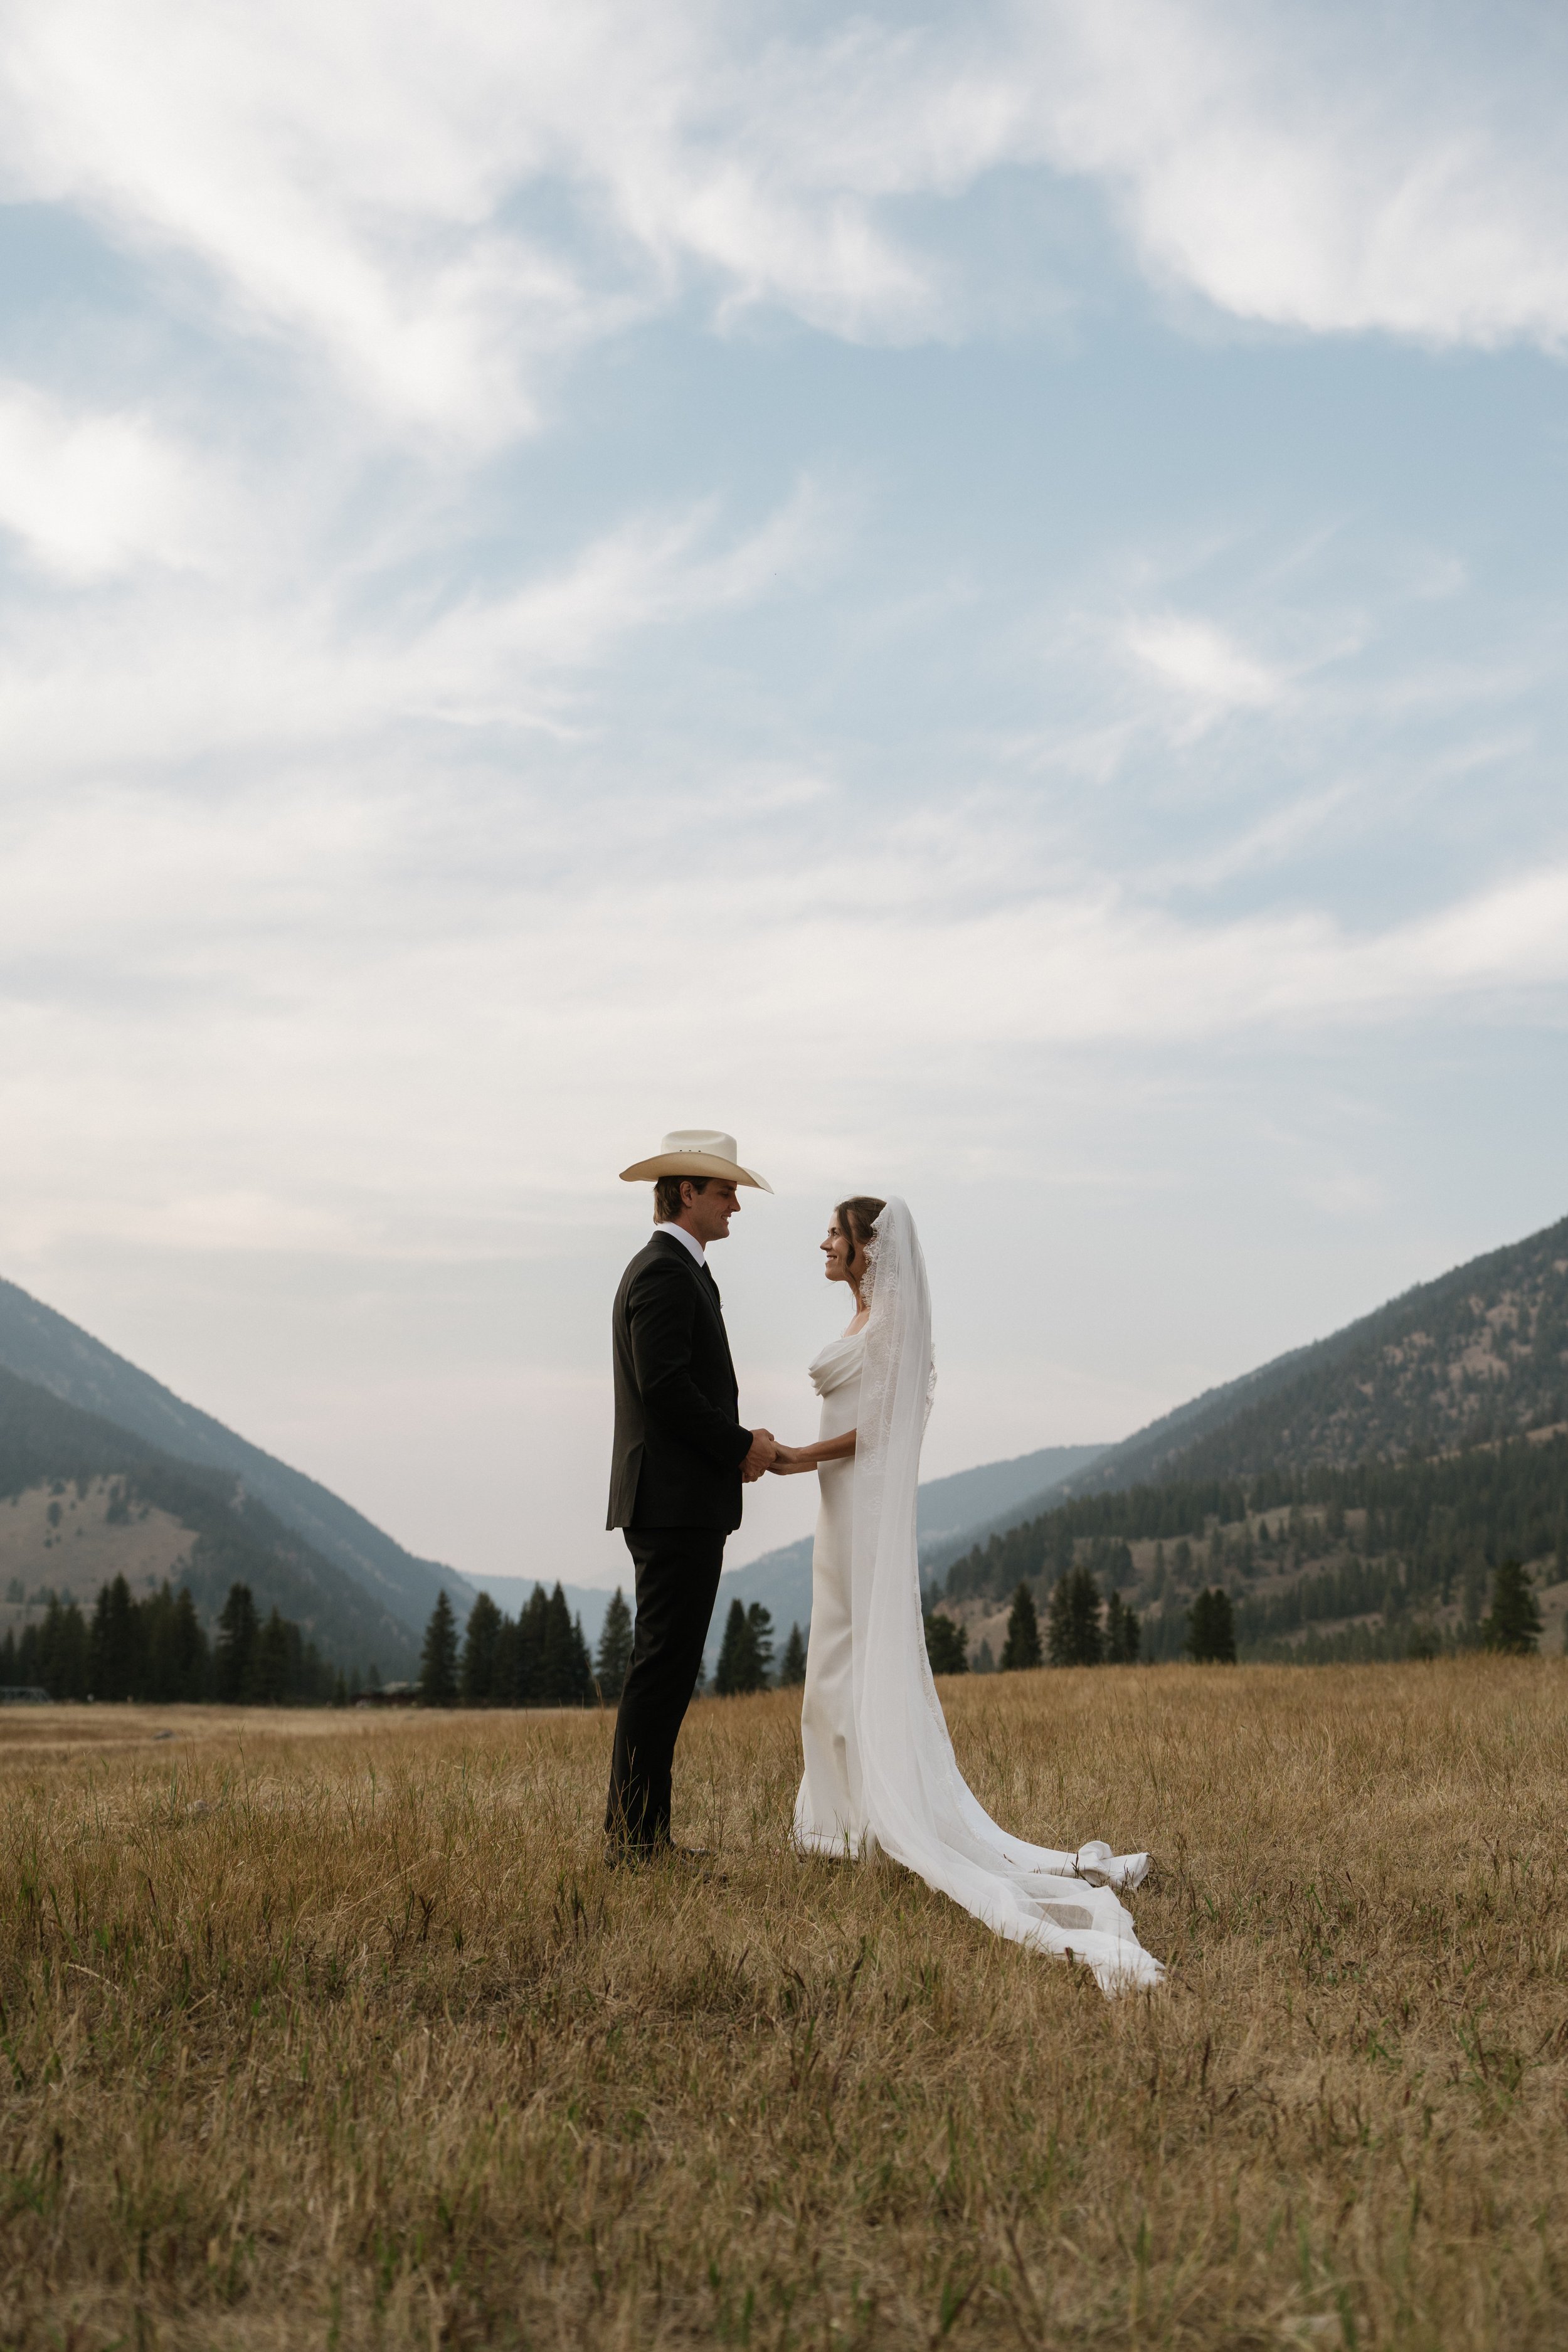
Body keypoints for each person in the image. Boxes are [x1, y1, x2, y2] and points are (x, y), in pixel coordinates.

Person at [768, 1195, 1162, 1993]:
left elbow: (877, 1431)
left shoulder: (888, 1329)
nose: (824, 1243)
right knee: (833, 1652)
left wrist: (796, 1455)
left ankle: (861, 1822)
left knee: (855, 1653)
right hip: (837, 1508)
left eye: (835, 1234)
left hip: (861, 1507)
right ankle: (839, 1820)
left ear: (866, 1248)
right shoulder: (862, 1320)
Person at [605, 1128, 776, 1857]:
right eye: (725, 1189)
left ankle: (643, 1836)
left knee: (668, 1671)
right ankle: (636, 1843)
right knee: (661, 1670)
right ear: (686, 1193)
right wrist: (740, 1445)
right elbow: (667, 1389)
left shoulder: (685, 1272)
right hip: (672, 1504)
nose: (736, 1203)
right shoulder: (664, 1274)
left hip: (681, 1501)